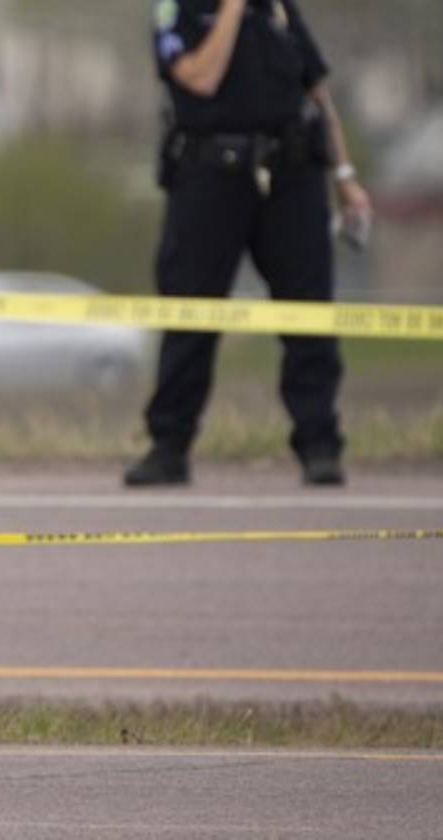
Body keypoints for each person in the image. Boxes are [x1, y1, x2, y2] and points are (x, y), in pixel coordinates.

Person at [126, 0, 373, 487]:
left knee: (309, 314)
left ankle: (319, 446)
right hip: (209, 178)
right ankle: (169, 447)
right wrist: (232, 10)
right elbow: (201, 78)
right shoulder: (177, 11)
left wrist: (344, 176)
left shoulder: (278, 8)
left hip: (291, 175)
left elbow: (317, 92)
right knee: (191, 314)